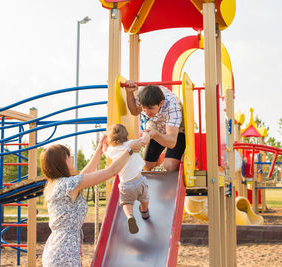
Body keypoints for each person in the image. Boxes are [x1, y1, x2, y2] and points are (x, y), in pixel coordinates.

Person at [40, 137, 142, 267]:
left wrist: (99, 151)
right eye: (68, 157)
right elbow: (111, 171)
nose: (71, 159)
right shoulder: (69, 184)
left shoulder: (56, 184)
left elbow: (85, 175)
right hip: (65, 252)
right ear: (61, 162)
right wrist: (129, 150)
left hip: (56, 249)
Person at [125, 80, 185, 171]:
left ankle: (179, 158)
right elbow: (134, 111)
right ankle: (162, 157)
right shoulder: (143, 95)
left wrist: (155, 134)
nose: (147, 112)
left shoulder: (172, 108)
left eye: (150, 109)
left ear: (161, 103)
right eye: (144, 109)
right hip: (157, 127)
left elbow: (172, 142)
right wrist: (129, 93)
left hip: (176, 132)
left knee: (170, 166)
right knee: (146, 166)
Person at [104, 123, 151, 234]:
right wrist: (145, 133)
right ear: (127, 137)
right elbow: (145, 141)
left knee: (127, 204)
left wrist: (103, 144)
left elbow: (104, 151)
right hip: (140, 181)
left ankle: (130, 216)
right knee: (145, 200)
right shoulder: (132, 144)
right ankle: (144, 210)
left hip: (125, 185)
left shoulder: (112, 151)